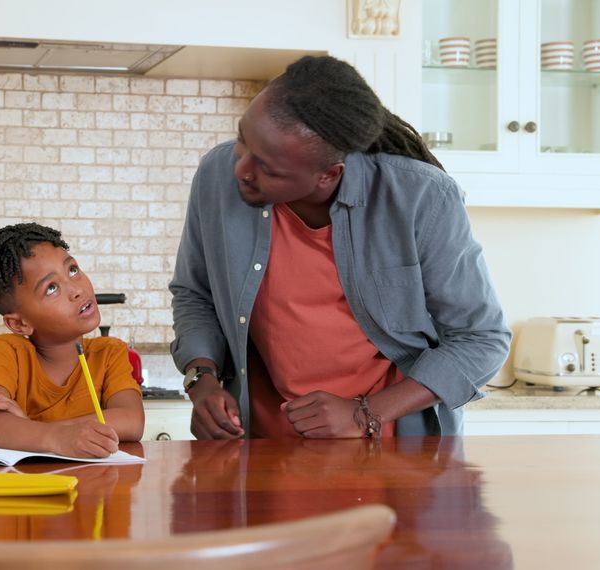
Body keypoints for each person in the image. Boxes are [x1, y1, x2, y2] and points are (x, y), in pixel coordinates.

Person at [169, 55, 510, 440]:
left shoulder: (421, 197)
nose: (241, 171)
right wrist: (202, 378)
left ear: (328, 175)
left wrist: (365, 415)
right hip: (263, 445)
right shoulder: (216, 176)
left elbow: (481, 339)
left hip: (392, 452)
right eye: (242, 141)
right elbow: (194, 294)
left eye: (269, 169)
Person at [0, 222, 144, 457]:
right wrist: (59, 438)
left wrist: (30, 429)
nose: (76, 289)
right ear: (19, 324)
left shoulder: (109, 353)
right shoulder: (7, 351)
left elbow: (132, 421)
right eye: (51, 288)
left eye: (72, 270)